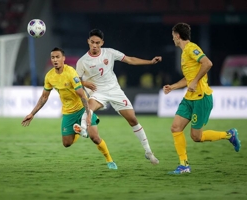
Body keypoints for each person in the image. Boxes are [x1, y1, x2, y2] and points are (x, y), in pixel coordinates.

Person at [163, 22, 241, 174]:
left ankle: (229, 135)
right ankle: (184, 165)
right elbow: (188, 79)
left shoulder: (192, 48)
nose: (173, 39)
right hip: (189, 97)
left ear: (178, 36)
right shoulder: (184, 53)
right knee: (175, 127)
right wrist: (173, 87)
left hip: (201, 97)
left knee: (196, 137)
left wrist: (194, 81)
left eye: (173, 36)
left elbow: (208, 63)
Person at [21, 47, 118, 170]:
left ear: (63, 59)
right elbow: (44, 97)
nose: (55, 60)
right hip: (68, 113)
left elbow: (82, 94)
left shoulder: (71, 72)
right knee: (66, 144)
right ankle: (78, 130)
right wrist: (32, 113)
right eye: (53, 57)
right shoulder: (49, 76)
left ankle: (110, 160)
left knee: (94, 137)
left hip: (83, 108)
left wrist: (88, 114)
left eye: (58, 57)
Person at [76, 29, 162, 165]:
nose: (94, 45)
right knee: (90, 107)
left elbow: (130, 60)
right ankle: (82, 129)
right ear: (88, 41)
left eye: (97, 43)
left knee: (133, 119)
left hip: (115, 91)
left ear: (102, 43)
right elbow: (76, 80)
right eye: (92, 42)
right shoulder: (82, 61)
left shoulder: (109, 52)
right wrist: (85, 82)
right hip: (98, 92)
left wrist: (150, 62)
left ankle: (148, 152)